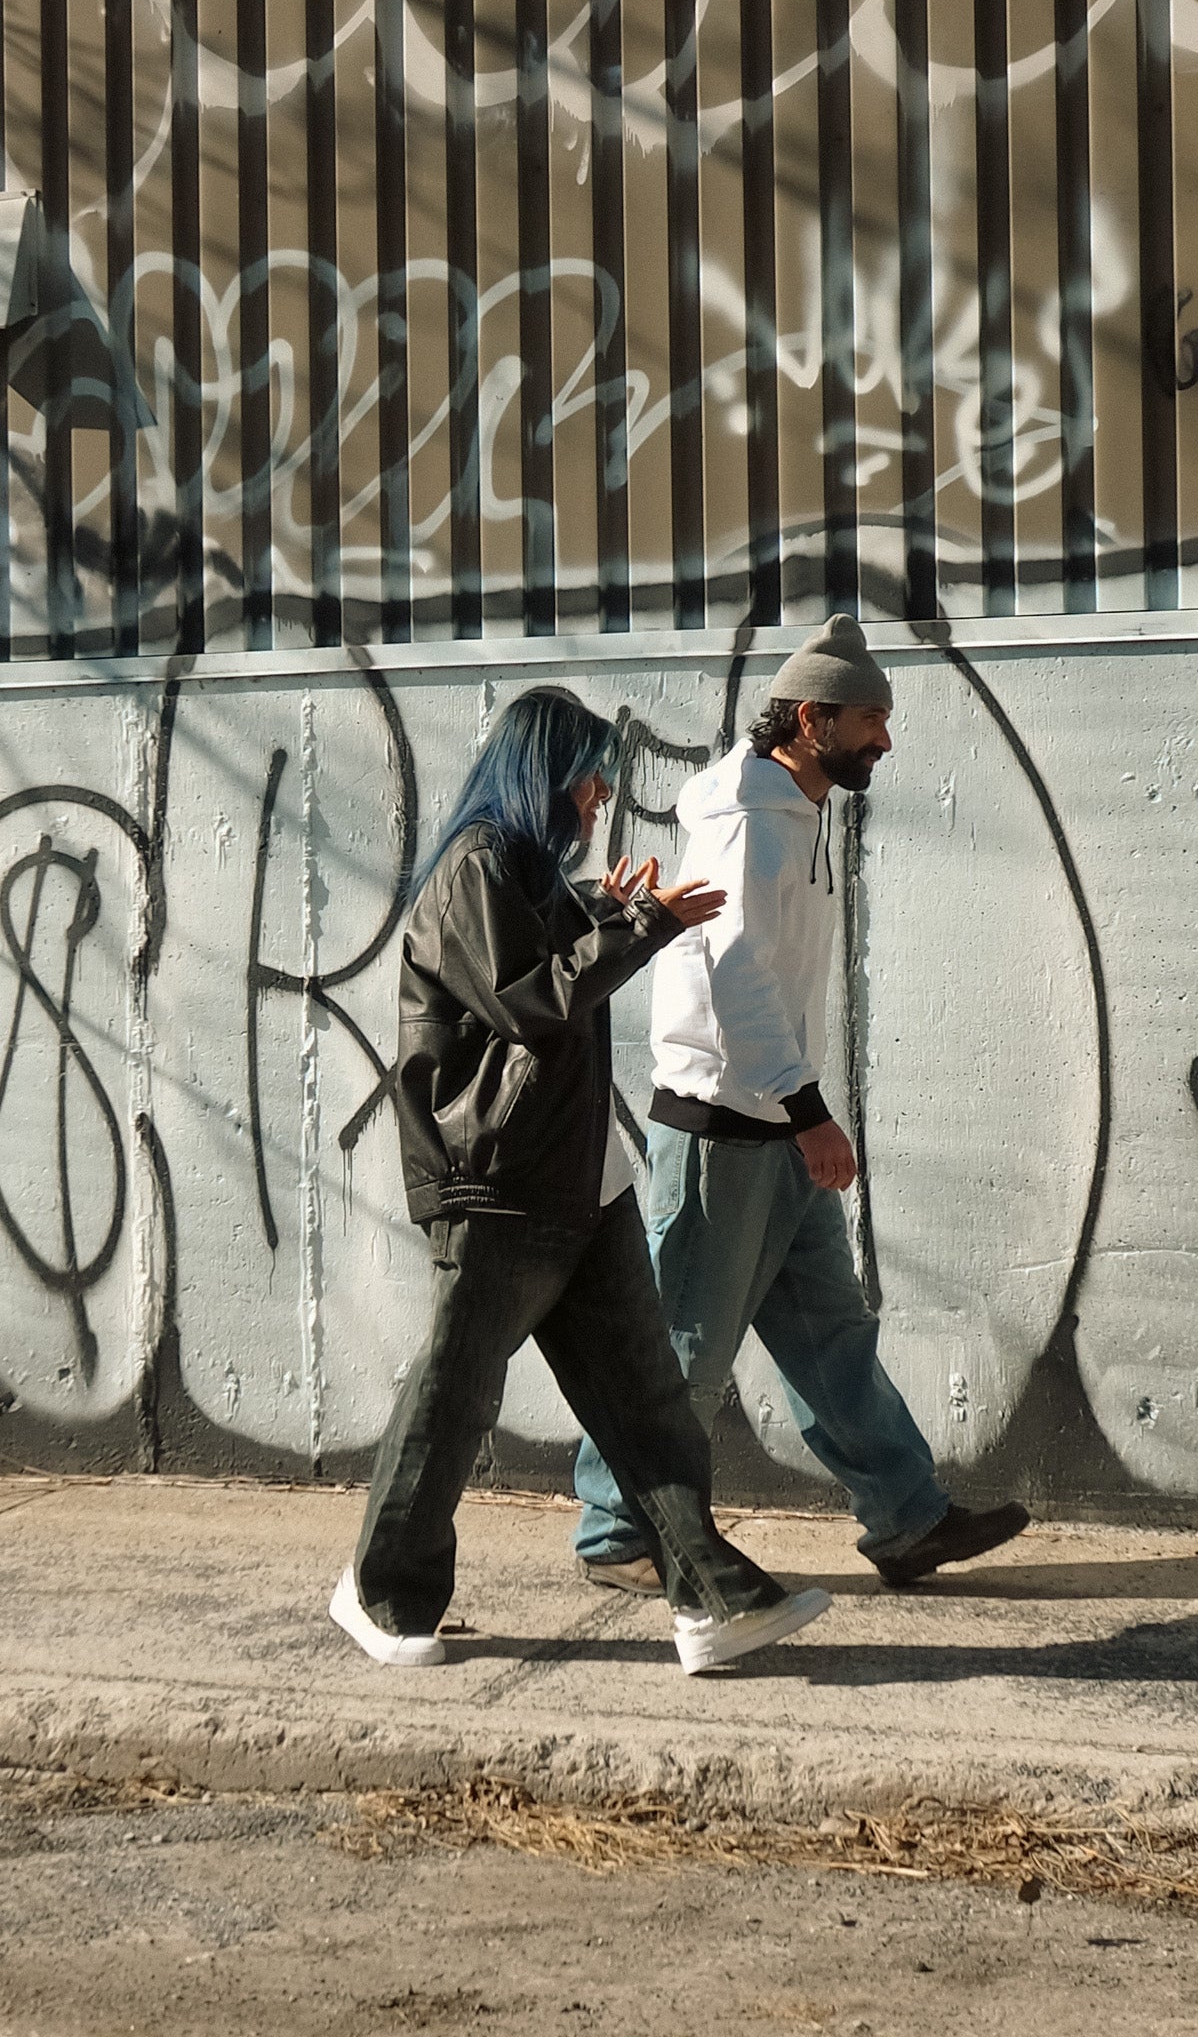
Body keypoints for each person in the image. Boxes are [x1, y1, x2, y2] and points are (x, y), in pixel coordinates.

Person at [328, 685, 832, 1675]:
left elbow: (552, 954)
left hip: (577, 1179)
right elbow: (529, 998)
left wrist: (615, 908)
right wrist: (642, 925)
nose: (603, 792)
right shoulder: (476, 865)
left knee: (646, 1402)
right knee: (454, 1395)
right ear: (543, 774)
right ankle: (380, 1589)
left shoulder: (526, 871)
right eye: (590, 773)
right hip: (498, 1180)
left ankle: (711, 1599)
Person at [572, 617, 1030, 1594]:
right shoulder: (746, 816)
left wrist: (799, 1112)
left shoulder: (793, 804)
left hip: (773, 1121)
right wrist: (811, 1109)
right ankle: (616, 1528)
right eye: (871, 719)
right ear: (812, 717)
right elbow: (737, 979)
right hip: (725, 1123)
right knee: (687, 1339)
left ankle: (908, 1519)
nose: (886, 740)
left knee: (830, 1333)